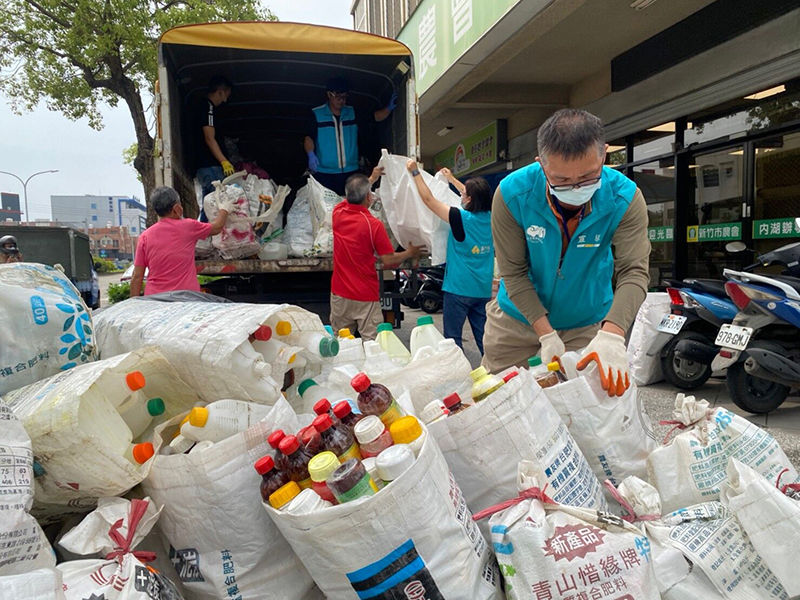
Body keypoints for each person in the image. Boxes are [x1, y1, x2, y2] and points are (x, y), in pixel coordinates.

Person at [483, 108, 650, 397]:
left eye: (588, 176)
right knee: (500, 401)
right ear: (541, 164)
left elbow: (634, 272)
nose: (575, 188)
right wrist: (545, 333)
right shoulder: (511, 194)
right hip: (515, 322)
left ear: (604, 155)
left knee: (583, 409)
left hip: (585, 325)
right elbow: (513, 272)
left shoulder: (625, 198)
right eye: (561, 180)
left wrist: (612, 333)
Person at [405, 160, 494, 354]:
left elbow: (429, 200)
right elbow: (475, 196)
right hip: (482, 290)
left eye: (463, 194)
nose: (461, 195)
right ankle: (492, 368)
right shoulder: (493, 218)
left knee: (452, 342)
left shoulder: (460, 218)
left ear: (470, 199)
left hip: (458, 289)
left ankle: (457, 369)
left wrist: (415, 173)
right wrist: (452, 180)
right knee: (485, 341)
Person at [331, 170, 423, 340]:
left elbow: (351, 197)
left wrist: (372, 178)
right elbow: (388, 260)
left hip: (340, 294)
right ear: (368, 197)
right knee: (372, 343)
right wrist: (410, 252)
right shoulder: (373, 225)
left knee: (340, 342)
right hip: (365, 295)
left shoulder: (337, 213)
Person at [130, 187, 232, 297]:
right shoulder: (188, 226)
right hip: (187, 298)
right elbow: (217, 227)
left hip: (155, 299)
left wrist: (133, 303)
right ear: (176, 208)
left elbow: (137, 276)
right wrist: (224, 209)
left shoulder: (145, 237)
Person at [304, 77, 397, 195]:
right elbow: (309, 137)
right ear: (329, 94)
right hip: (324, 173)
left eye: (344, 97)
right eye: (338, 96)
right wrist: (310, 154)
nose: (341, 101)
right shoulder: (317, 114)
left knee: (352, 202)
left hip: (350, 172)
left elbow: (374, 117)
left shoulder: (352, 113)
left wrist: (388, 108)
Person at [195, 75, 235, 212]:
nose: (226, 100)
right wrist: (224, 161)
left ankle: (203, 227)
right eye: (226, 95)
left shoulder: (202, 107)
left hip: (205, 167)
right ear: (220, 91)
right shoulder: (208, 107)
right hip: (210, 165)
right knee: (219, 206)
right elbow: (209, 137)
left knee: (209, 208)